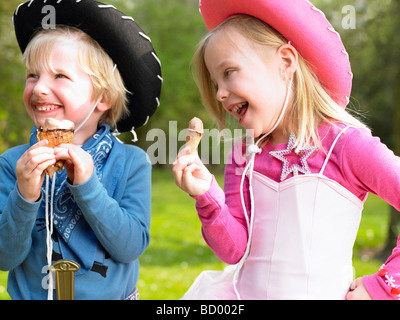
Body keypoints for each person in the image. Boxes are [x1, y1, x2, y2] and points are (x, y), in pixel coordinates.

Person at [173, 0, 400, 300]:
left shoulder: (347, 144)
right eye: (215, 83)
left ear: (285, 61)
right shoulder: (244, 155)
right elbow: (234, 249)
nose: (220, 93)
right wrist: (206, 196)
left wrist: (382, 286)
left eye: (229, 72)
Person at [0, 0, 162, 300]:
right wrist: (24, 195)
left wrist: (88, 187)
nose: (38, 88)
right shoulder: (13, 164)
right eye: (33, 75)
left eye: (59, 76)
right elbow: (4, 257)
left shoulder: (130, 162)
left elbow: (130, 247)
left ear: (102, 98)